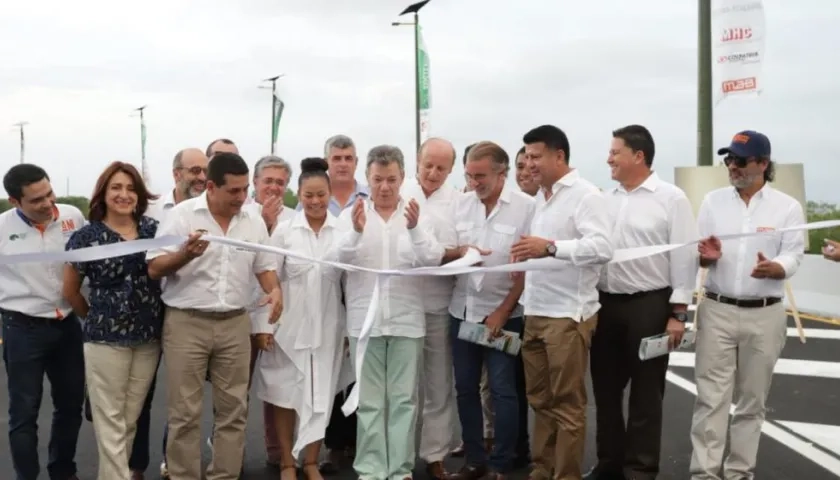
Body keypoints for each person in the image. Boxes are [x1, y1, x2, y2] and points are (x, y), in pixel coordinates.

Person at [146, 152, 283, 479]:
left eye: (245, 189)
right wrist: (184, 255)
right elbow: (154, 267)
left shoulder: (251, 222)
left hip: (236, 323)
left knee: (234, 411)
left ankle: (224, 475)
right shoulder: (181, 217)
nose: (242, 198)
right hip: (186, 322)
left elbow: (265, 268)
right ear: (210, 186)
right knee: (185, 413)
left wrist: (275, 290)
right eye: (233, 191)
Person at [689, 131, 805, 480]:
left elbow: (794, 253)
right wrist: (706, 258)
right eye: (728, 160)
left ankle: (740, 472)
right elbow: (701, 252)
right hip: (718, 308)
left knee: (752, 402)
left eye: (740, 160)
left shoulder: (787, 207)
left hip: (766, 312)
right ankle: (705, 474)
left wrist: (778, 267)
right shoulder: (712, 201)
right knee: (711, 399)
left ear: (763, 164)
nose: (732, 167)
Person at [586, 125, 698, 480]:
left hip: (649, 304)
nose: (609, 159)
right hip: (605, 304)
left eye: (615, 152)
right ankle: (608, 463)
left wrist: (678, 313)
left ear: (639, 156)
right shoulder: (606, 198)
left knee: (646, 395)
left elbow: (685, 257)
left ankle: (640, 469)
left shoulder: (671, 198)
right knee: (604, 390)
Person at [336, 145, 444, 480]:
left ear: (401, 179)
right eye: (378, 179)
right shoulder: (350, 214)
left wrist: (413, 229)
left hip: (406, 321)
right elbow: (337, 259)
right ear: (367, 178)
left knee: (403, 401)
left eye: (392, 179)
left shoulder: (417, 214)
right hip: (364, 322)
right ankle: (370, 469)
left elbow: (433, 258)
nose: (385, 187)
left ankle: (400, 469)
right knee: (369, 401)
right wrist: (355, 232)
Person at [511, 125, 613, 480]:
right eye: (526, 157)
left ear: (559, 156)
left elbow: (602, 248)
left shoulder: (586, 195)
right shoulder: (541, 197)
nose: (529, 164)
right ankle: (542, 470)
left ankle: (565, 475)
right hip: (536, 311)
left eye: (536, 157)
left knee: (567, 405)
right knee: (540, 400)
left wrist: (551, 246)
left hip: (568, 316)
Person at [62, 161, 164, 480]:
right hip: (105, 339)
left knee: (129, 419)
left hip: (148, 338)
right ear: (103, 193)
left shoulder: (154, 231)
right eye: (116, 188)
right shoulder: (85, 238)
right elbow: (71, 290)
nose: (124, 194)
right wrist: (96, 318)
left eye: (131, 188)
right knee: (109, 422)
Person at [446, 141, 535, 480]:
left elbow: (528, 268)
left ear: (502, 173)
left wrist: (503, 310)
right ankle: (474, 459)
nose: (473, 183)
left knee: (503, 390)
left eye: (480, 176)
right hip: (463, 311)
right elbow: (451, 252)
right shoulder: (461, 205)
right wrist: (458, 252)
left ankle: (501, 463)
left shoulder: (526, 207)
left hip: (504, 315)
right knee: (466, 388)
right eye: (469, 175)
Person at [256, 157, 347, 480]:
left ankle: (310, 460)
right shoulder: (284, 232)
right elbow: (266, 277)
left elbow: (351, 284)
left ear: (329, 193)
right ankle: (285, 463)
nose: (315, 201)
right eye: (308, 195)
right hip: (287, 328)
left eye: (321, 195)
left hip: (328, 325)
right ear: (299, 194)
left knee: (320, 393)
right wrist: (264, 326)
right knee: (284, 393)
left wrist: (350, 332)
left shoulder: (343, 232)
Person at [0, 163, 86, 480]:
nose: (47, 204)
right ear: (14, 202)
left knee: (70, 405)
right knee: (24, 413)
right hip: (22, 328)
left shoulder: (72, 216)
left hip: (66, 326)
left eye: (49, 193)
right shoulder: (1, 229)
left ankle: (63, 471)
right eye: (36, 200)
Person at [139, 146, 209, 479]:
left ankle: (174, 459)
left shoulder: (209, 209)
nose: (201, 177)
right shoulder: (151, 209)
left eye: (204, 171)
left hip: (185, 312)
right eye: (194, 170)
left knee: (185, 398)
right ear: (176, 173)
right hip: (146, 311)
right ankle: (133, 466)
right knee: (142, 394)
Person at [400, 137, 461, 480]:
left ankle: (436, 455)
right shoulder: (400, 192)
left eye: (441, 167)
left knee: (439, 385)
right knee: (404, 388)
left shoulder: (459, 202)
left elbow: (460, 249)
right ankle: (402, 459)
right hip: (404, 303)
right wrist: (445, 251)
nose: (433, 173)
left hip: (440, 304)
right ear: (417, 161)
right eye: (428, 165)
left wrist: (448, 253)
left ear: (451, 169)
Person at [316, 134, 369, 473]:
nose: (343, 163)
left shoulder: (368, 197)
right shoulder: (316, 198)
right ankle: (334, 445)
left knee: (362, 372)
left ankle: (359, 443)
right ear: (327, 162)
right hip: (326, 296)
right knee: (333, 374)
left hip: (363, 294)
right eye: (336, 158)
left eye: (348, 157)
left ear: (356, 162)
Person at [243, 154, 296, 469]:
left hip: (278, 316)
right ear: (255, 182)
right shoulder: (242, 215)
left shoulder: (294, 218)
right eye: (268, 181)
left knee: (277, 387)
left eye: (280, 182)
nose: (274, 188)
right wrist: (263, 222)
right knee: (236, 390)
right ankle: (229, 455)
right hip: (242, 315)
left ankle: (279, 453)